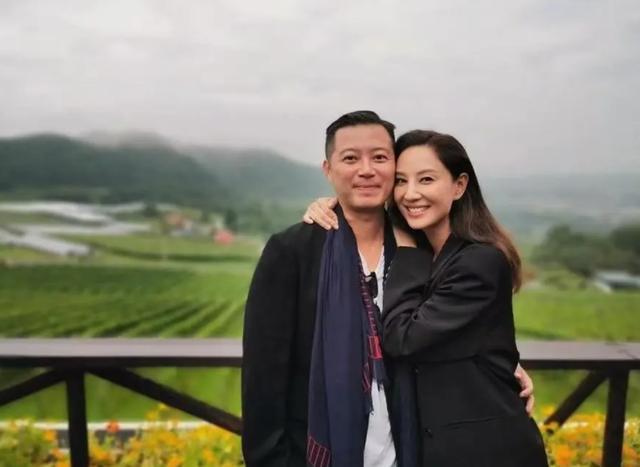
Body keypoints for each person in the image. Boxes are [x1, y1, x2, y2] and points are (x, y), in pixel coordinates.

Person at [242, 111, 534, 467]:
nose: (366, 170)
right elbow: (263, 378)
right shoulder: (293, 252)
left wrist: (507, 368)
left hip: (417, 453)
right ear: (328, 170)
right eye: (351, 158)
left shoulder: (421, 248)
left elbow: (450, 333)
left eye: (380, 157)